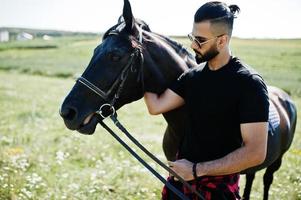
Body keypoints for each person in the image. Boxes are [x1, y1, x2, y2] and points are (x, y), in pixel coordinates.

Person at [144, 1, 269, 200]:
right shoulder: (192, 77)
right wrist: (144, 63)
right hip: (180, 182)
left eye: (200, 40)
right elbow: (156, 106)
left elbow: (256, 152)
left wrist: (195, 170)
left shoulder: (249, 84)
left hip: (217, 189)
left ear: (222, 41)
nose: (193, 45)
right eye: (192, 37)